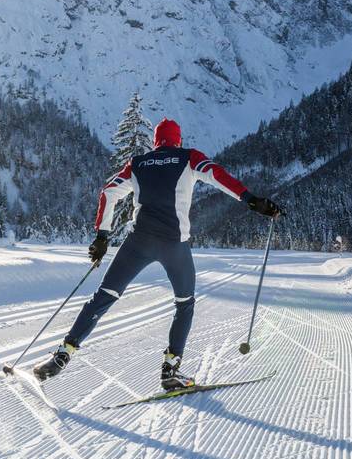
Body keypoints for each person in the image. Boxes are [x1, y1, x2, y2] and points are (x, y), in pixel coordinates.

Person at [33, 118, 281, 389]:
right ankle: (171, 369)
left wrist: (102, 236)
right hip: (174, 244)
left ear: (155, 142)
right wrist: (250, 200)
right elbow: (218, 176)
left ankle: (63, 354)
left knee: (103, 296)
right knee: (184, 303)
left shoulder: (138, 164)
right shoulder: (189, 158)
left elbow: (108, 193)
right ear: (178, 140)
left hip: (138, 242)